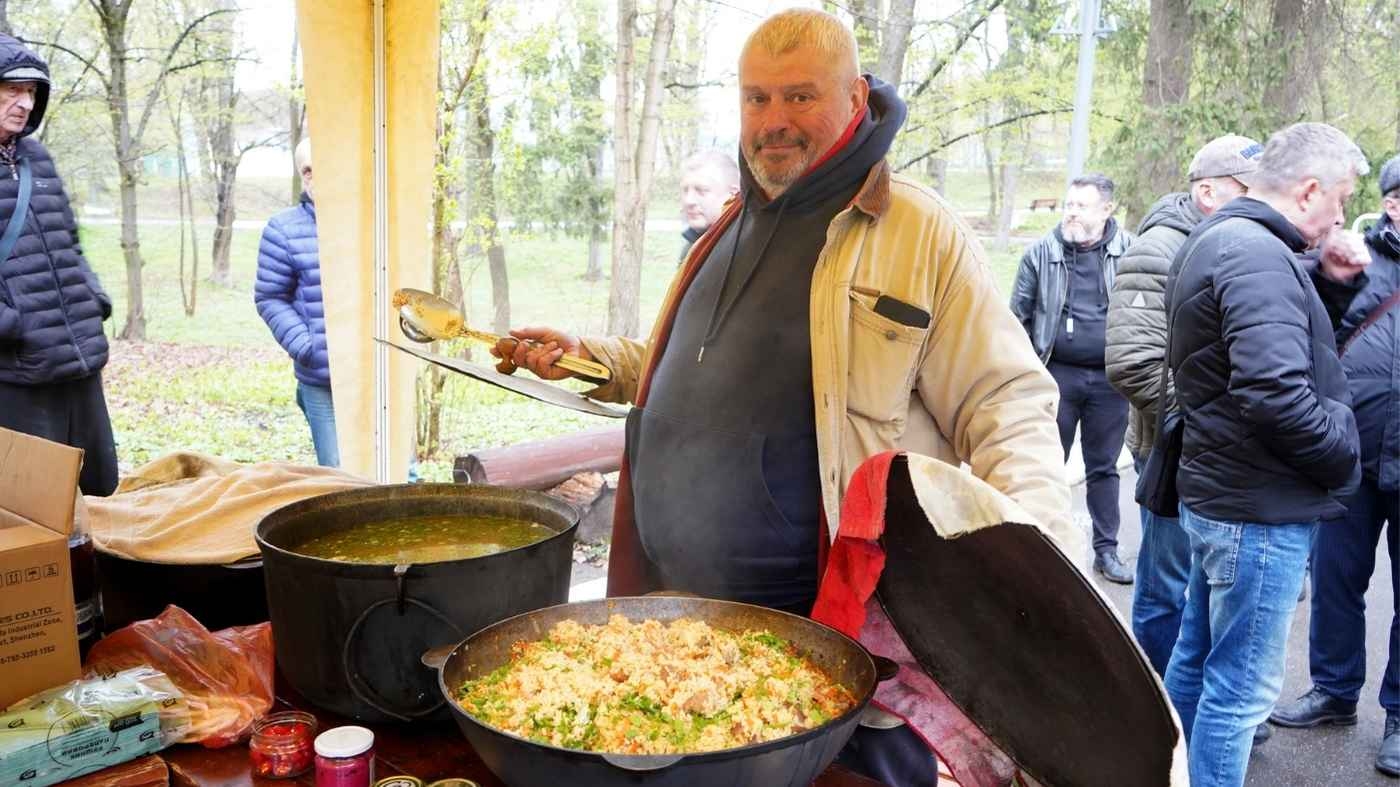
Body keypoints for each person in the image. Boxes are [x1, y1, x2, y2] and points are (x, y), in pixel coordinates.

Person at [495, 9, 1080, 785]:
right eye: (756, 98)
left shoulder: (914, 230)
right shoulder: (725, 229)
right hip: (681, 632)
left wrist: (1041, 585)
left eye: (800, 96)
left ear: (855, 97)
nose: (773, 121)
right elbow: (683, 367)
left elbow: (1004, 405)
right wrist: (587, 358)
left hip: (839, 649)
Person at [1162, 122, 1366, 787]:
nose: (1341, 216)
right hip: (1256, 511)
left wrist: (1331, 286)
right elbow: (1274, 392)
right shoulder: (1255, 254)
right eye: (1340, 199)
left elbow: (1267, 342)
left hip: (1227, 495)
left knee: (1195, 664)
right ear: (1309, 191)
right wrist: (1343, 459)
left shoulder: (1228, 240)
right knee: (1239, 692)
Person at [1104, 134, 1261, 675]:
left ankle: (1191, 693)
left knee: (1208, 586)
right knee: (1165, 587)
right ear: (1208, 192)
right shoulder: (1161, 249)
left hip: (1218, 454)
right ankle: (1157, 700)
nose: (1262, 202)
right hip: (1172, 450)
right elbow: (1132, 362)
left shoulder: (1239, 243)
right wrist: (1210, 425)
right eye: (1249, 190)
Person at [1269, 154, 1400, 778]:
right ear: (1391, 203)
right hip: (1352, 453)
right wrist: (1328, 269)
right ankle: (1334, 690)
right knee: (1335, 580)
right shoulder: (1352, 257)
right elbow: (1303, 321)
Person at [0, 35, 117, 496]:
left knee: (97, 491)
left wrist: (93, 298)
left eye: (32, 91)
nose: (25, 103)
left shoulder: (37, 158)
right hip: (18, 371)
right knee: (34, 504)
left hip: (78, 359)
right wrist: (12, 325)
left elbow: (70, 242)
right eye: (12, 90)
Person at [1010, 174, 1136, 584]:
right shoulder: (1040, 254)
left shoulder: (1129, 252)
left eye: (1082, 206)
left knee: (1104, 467)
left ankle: (1106, 551)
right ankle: (1035, 549)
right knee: (1044, 465)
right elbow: (1016, 321)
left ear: (1107, 210)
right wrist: (1024, 376)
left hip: (1109, 381)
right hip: (1054, 377)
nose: (1072, 213)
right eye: (1069, 205)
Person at [255, 137, 338, 467]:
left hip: (379, 375)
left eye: (323, 167)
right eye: (307, 170)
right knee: (338, 474)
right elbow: (270, 297)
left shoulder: (375, 224)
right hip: (321, 379)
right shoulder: (283, 230)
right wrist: (308, 347)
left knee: (402, 475)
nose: (315, 177)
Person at [677, 148, 739, 261]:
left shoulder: (740, 251)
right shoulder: (692, 245)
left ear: (733, 194)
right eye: (685, 190)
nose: (688, 201)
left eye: (701, 190)